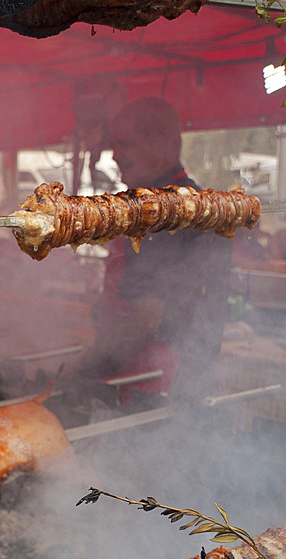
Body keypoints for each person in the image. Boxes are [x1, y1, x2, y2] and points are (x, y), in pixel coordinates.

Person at [74, 96, 233, 400]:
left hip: (151, 384)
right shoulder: (196, 199)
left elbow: (145, 319)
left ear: (162, 141)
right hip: (187, 377)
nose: (115, 156)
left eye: (125, 144)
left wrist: (81, 375)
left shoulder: (159, 212)